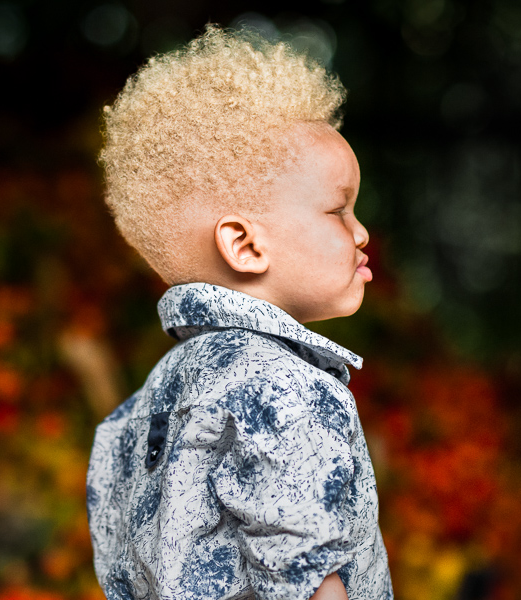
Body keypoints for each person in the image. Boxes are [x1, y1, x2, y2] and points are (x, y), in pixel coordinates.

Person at [86, 25, 392, 600]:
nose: (362, 232)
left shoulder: (136, 413)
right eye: (338, 210)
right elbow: (308, 579)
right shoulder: (285, 389)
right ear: (246, 246)